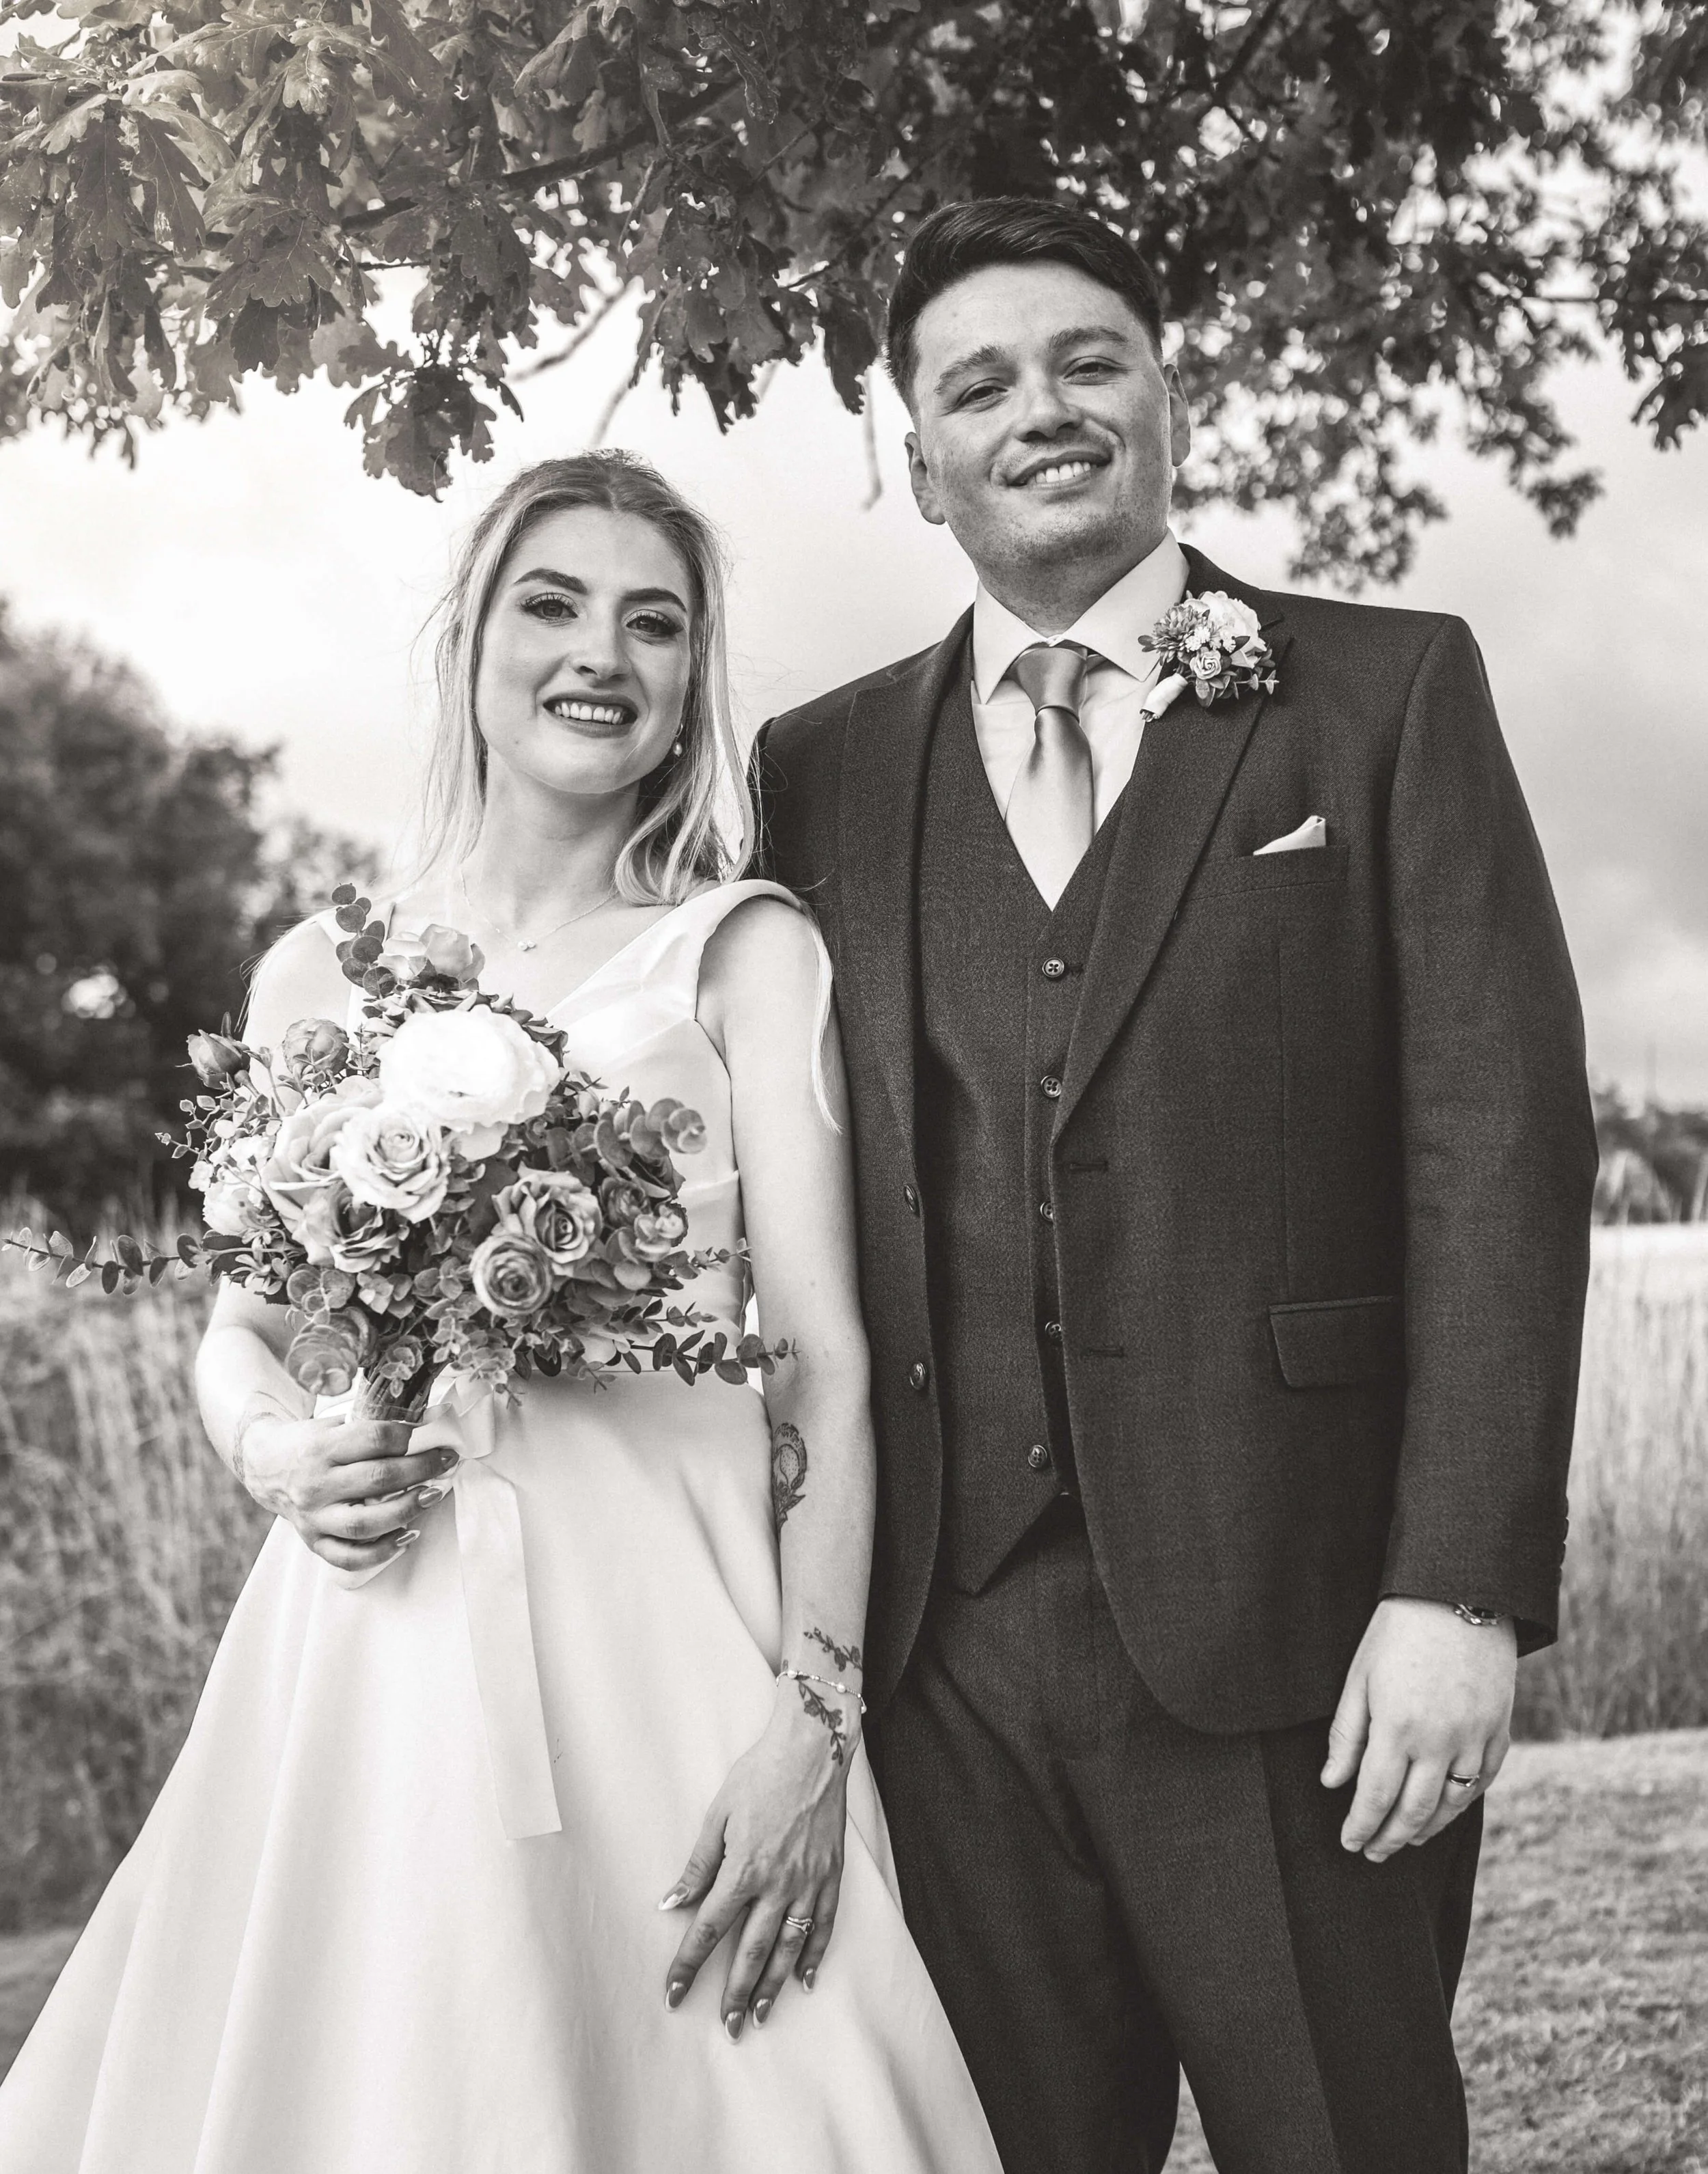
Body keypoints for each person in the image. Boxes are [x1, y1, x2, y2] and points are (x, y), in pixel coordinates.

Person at [0, 453, 1002, 2174]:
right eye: (551, 602)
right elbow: (242, 1331)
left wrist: (809, 1720)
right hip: (375, 1643)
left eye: (653, 621)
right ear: (469, 637)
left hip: (676, 1643)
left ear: (690, 688)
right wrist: (277, 1460)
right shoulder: (318, 972)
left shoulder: (743, 954)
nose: (598, 651)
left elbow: (822, 1373)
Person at [754, 197, 1599, 2174]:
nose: (1039, 409)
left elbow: (1499, 1145)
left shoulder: (1384, 695)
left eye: (1085, 359)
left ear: (1160, 389)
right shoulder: (821, 769)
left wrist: (1456, 1584)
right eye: (978, 383)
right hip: (939, 1660)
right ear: (915, 459)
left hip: (1301, 1635)